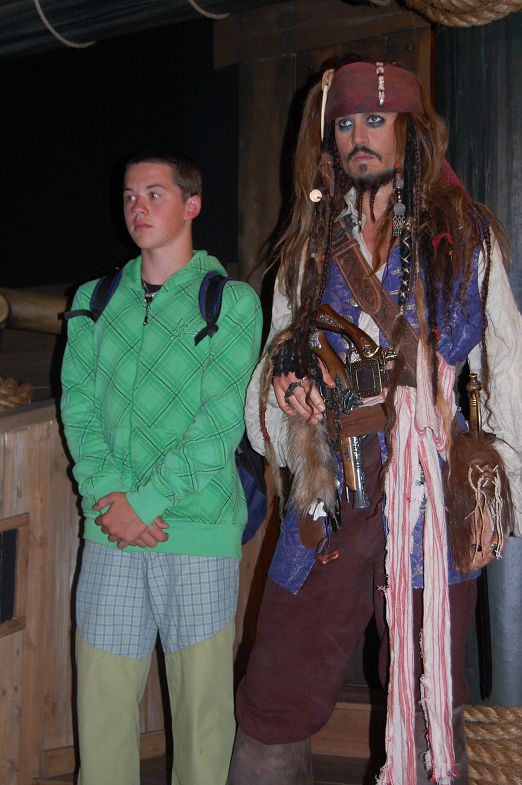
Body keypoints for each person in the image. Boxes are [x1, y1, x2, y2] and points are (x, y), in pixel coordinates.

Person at [228, 61, 522, 785]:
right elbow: (275, 358)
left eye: (375, 120)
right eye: (345, 123)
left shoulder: (469, 237)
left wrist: (502, 485)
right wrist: (285, 392)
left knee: (428, 698)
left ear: (411, 131)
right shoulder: (308, 247)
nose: (358, 136)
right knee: (274, 697)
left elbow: (507, 362)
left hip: (430, 500)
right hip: (327, 496)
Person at [61, 151, 262, 785]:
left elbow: (221, 423)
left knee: (203, 716)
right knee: (101, 708)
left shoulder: (231, 303)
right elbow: (78, 409)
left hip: (196, 528)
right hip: (110, 529)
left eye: (154, 193)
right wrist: (111, 499)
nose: (137, 207)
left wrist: (145, 504)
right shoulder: (94, 300)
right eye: (129, 195)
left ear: (191, 204)